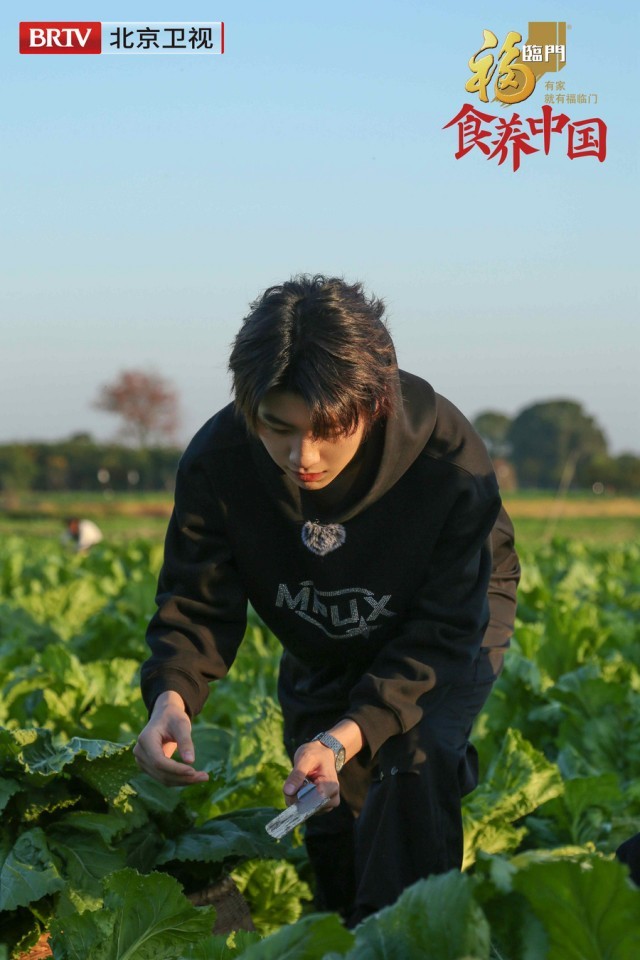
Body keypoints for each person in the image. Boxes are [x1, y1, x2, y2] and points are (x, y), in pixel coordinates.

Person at [133, 275, 520, 926]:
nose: (301, 456)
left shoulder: (447, 463)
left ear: (375, 403)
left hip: (451, 617)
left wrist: (348, 737)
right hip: (322, 615)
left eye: (327, 431)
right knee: (324, 797)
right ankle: (344, 925)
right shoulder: (219, 461)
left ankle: (410, 935)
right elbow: (196, 598)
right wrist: (171, 695)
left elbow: (442, 636)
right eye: (276, 427)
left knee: (414, 758)